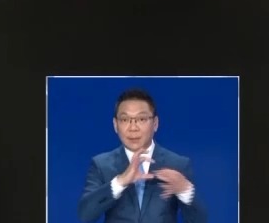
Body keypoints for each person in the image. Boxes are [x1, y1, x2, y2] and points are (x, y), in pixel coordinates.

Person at [77, 88, 208, 223]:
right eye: (125, 119)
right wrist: (120, 182)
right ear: (115, 125)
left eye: (141, 119)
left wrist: (185, 190)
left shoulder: (177, 164)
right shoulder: (101, 165)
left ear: (155, 124)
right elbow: (85, 215)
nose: (133, 128)